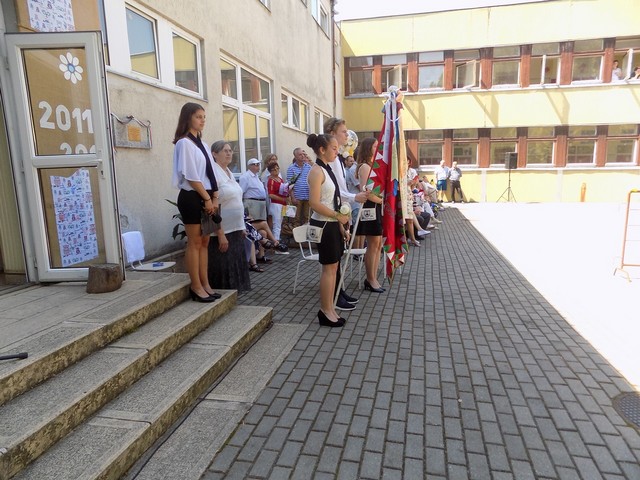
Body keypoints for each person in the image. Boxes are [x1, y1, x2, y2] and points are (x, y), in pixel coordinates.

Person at [171, 102, 220, 303]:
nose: (202, 120)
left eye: (204, 117)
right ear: (188, 118)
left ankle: (205, 284)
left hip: (207, 195)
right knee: (195, 242)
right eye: (198, 116)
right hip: (192, 196)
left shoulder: (203, 145)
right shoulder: (184, 143)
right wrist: (207, 199)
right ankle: (196, 286)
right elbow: (191, 176)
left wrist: (214, 197)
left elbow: (211, 173)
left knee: (205, 242)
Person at [324, 118, 370, 310]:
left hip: (341, 212)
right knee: (333, 260)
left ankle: (339, 290)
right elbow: (336, 190)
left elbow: (341, 188)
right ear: (332, 134)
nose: (347, 135)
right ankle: (334, 297)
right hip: (333, 213)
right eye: (343, 131)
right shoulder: (331, 161)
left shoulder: (339, 159)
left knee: (338, 256)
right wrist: (354, 197)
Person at [306, 133, 350, 328]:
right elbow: (314, 203)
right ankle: (325, 310)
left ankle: (330, 308)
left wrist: (340, 225)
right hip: (324, 225)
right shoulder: (317, 171)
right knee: (328, 269)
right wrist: (337, 216)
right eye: (334, 148)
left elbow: (333, 200)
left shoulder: (326, 169)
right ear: (322, 150)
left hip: (332, 224)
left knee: (333, 268)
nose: (337, 152)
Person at [209, 141, 251, 293]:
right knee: (223, 266)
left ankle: (235, 294)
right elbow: (212, 208)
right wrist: (220, 234)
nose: (229, 153)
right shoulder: (213, 174)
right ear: (214, 154)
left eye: (230, 151)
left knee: (235, 263)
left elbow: (236, 201)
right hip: (222, 231)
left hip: (235, 229)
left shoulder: (229, 172)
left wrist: (242, 226)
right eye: (225, 151)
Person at [355, 137, 385, 293]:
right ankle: (370, 278)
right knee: (372, 245)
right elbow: (367, 192)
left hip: (376, 206)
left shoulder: (372, 165)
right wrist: (383, 201)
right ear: (368, 148)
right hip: (370, 208)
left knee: (378, 244)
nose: (377, 149)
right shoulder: (365, 167)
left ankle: (373, 277)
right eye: (375, 146)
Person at [240, 158, 288, 254]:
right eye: (255, 165)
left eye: (258, 164)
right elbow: (241, 192)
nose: (258, 166)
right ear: (250, 166)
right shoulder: (245, 177)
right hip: (252, 203)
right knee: (258, 225)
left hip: (260, 203)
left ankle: (261, 253)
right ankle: (274, 244)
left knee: (262, 229)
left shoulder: (256, 176)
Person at [286, 148, 312, 229]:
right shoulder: (291, 168)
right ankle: (295, 236)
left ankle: (304, 236)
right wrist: (293, 197)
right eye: (300, 154)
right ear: (295, 156)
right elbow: (291, 185)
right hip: (297, 198)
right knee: (296, 219)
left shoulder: (308, 167)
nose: (302, 156)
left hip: (307, 197)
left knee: (306, 219)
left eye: (303, 154)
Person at [266, 162, 288, 241]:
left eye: (277, 168)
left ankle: (277, 240)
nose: (276, 170)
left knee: (280, 223)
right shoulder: (271, 180)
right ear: (270, 171)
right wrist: (282, 199)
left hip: (282, 204)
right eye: (274, 169)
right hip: (276, 204)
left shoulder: (280, 179)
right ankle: (276, 242)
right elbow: (271, 195)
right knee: (276, 224)